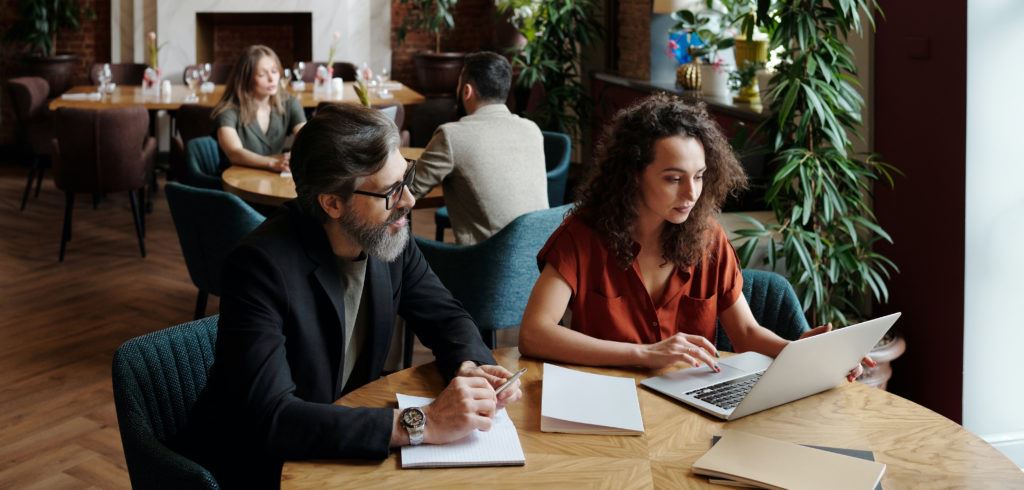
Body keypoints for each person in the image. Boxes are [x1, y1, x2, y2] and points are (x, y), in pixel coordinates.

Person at [173, 103, 523, 489]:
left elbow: (447, 318)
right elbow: (272, 418)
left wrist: (471, 368)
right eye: (390, 191)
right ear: (332, 203)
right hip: (260, 466)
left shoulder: (389, 240)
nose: (408, 200)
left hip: (342, 445)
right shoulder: (259, 268)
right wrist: (425, 423)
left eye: (406, 178)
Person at [518, 94, 873, 380]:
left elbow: (746, 333)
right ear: (633, 176)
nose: (692, 193)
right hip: (608, 402)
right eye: (673, 178)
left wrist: (808, 354)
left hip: (686, 407)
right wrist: (643, 354)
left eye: (700, 176)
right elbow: (534, 333)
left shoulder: (708, 240)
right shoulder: (583, 236)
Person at [409, 51, 549, 244]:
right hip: (538, 259)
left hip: (486, 264)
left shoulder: (452, 136)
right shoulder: (532, 129)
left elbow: (410, 190)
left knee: (409, 254)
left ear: (466, 91)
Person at [211, 45, 306, 173]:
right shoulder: (228, 110)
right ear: (246, 78)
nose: (272, 79)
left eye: (274, 71)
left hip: (272, 178)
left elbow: (307, 137)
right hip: (237, 181)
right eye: (262, 74)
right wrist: (273, 163)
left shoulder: (289, 103)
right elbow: (234, 153)